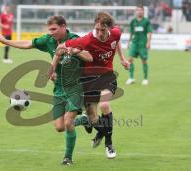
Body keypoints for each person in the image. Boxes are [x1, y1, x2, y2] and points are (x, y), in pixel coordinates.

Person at [0, 16, 92, 165]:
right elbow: (28, 43)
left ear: (63, 27)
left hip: (75, 86)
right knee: (59, 127)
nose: (51, 32)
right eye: (50, 30)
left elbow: (89, 57)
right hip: (59, 88)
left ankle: (67, 158)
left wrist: (73, 50)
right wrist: (6, 41)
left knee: (68, 123)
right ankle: (85, 120)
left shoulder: (75, 39)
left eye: (54, 29)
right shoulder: (48, 40)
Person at [47, 12, 130, 159]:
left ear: (109, 28)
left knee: (105, 105)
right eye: (96, 29)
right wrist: (52, 68)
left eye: (102, 30)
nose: (99, 33)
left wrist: (122, 59)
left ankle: (109, 145)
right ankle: (95, 128)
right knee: (93, 118)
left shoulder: (116, 32)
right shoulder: (87, 40)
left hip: (106, 76)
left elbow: (116, 41)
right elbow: (60, 48)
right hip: (89, 79)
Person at [126, 4, 152, 85]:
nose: (139, 11)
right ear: (136, 11)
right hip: (134, 43)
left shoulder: (146, 21)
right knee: (129, 59)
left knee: (144, 60)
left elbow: (150, 32)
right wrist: (128, 42)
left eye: (141, 10)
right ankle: (131, 78)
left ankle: (145, 79)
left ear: (143, 11)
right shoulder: (133, 21)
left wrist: (148, 42)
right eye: (138, 10)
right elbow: (131, 33)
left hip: (142, 44)